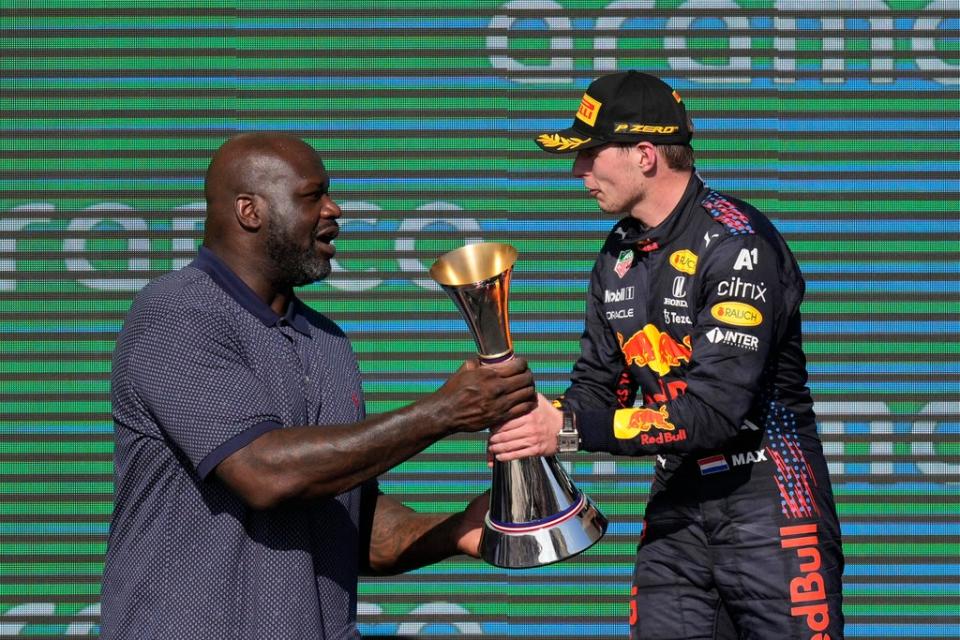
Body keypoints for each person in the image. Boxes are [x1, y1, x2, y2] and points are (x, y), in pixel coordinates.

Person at [100, 132, 536, 639]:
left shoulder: (327, 341)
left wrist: (460, 529)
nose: (334, 210)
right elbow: (264, 473)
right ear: (250, 211)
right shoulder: (177, 315)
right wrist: (443, 412)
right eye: (313, 196)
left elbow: (351, 526)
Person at [488, 71, 844, 639]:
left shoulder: (738, 245)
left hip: (770, 506)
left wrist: (570, 428)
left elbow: (715, 413)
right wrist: (534, 427)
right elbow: (598, 387)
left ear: (645, 155)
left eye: (589, 153)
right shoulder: (619, 253)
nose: (577, 171)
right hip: (677, 507)